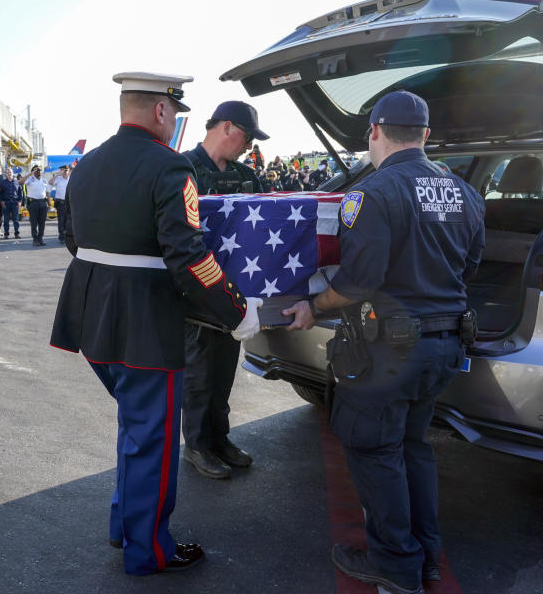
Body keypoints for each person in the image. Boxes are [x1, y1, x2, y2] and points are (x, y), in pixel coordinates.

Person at [50, 72, 254, 576]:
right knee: (153, 439)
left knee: (134, 427)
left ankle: (125, 526)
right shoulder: (170, 167)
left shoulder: (87, 164)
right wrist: (236, 310)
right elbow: (188, 256)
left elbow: (73, 240)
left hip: (92, 319)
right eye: (174, 112)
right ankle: (149, 550)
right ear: (162, 111)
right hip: (144, 326)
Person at [283, 90, 485, 594]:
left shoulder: (372, 193)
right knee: (413, 447)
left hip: (388, 354)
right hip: (445, 345)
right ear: (426, 136)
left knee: (375, 452)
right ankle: (426, 557)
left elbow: (356, 284)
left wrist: (313, 306)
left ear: (374, 131)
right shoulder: (465, 192)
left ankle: (396, 567)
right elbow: (471, 265)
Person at [177, 101, 267, 480]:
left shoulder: (248, 176)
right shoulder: (181, 168)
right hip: (193, 291)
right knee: (197, 373)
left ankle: (219, 439)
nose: (249, 146)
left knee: (224, 369)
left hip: (232, 292)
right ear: (227, 127)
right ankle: (197, 445)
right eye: (247, 137)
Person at [24, 166, 49, 246]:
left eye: (40, 170)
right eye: (36, 170)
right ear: (33, 172)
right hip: (33, 203)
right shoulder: (30, 179)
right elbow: (21, 182)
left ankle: (40, 238)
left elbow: (47, 192)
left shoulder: (44, 180)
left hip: (43, 202)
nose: (39, 171)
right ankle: (35, 239)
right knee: (34, 222)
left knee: (42, 222)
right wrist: (30, 174)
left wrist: (49, 203)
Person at [49, 164, 71, 243]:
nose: (64, 172)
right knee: (61, 220)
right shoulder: (58, 179)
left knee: (68, 220)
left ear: (68, 171)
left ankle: (67, 236)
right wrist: (58, 174)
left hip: (69, 203)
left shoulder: (70, 179)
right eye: (63, 171)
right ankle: (61, 236)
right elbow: (50, 182)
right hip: (61, 203)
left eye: (66, 170)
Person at [0, 167, 22, 239]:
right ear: (6, 174)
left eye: (10, 172)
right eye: (8, 172)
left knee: (16, 219)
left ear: (13, 173)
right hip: (6, 203)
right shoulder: (3, 183)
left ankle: (16, 233)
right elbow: (1, 193)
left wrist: (20, 201)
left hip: (15, 203)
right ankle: (6, 234)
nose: (9, 174)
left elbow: (20, 193)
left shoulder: (17, 182)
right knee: (6, 219)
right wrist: (2, 201)